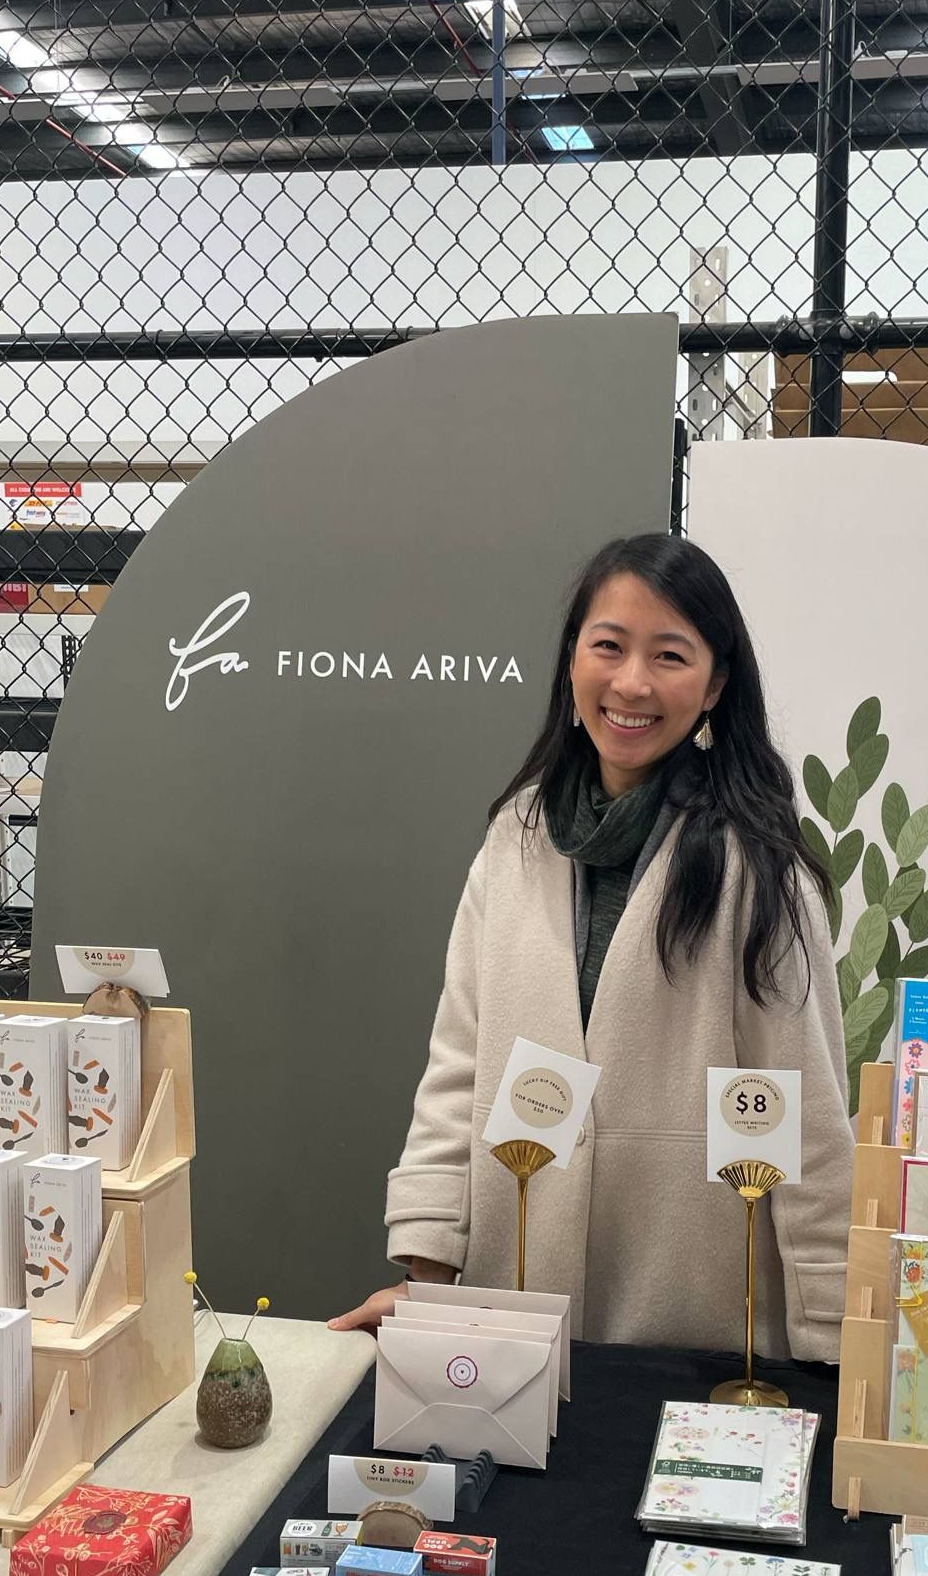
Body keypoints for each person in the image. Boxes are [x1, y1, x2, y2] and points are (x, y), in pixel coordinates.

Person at [328, 532, 853, 1358]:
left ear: (715, 685)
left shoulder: (757, 867)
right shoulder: (517, 836)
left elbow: (804, 1117)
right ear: (573, 658)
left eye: (670, 656)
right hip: (513, 1309)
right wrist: (427, 1280)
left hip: (694, 1326)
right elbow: (459, 1066)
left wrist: (833, 1333)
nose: (632, 682)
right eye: (609, 646)